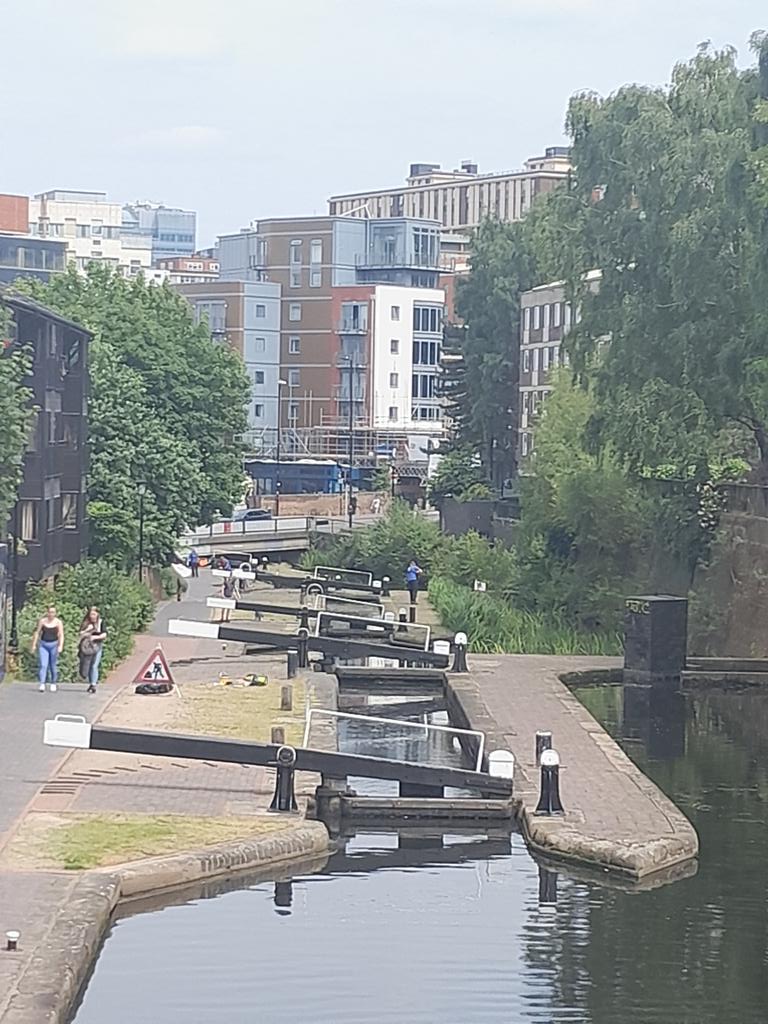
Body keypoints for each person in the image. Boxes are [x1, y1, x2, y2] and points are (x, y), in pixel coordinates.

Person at [32, 605, 64, 692]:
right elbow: (37, 632)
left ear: (55, 613)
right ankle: (42, 683)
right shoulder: (42, 621)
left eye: (53, 612)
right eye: (50, 612)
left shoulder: (58, 622)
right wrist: (34, 644)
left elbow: (61, 635)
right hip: (43, 644)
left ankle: (53, 683)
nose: (51, 614)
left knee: (53, 665)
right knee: (43, 665)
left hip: (54, 645)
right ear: (47, 612)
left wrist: (60, 646)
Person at [78, 607, 107, 694]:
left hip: (97, 646)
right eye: (91, 614)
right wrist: (88, 630)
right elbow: (80, 634)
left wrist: (95, 637)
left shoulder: (101, 622)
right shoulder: (86, 623)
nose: (92, 616)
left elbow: (104, 634)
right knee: (86, 665)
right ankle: (87, 679)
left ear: (97, 614)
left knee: (94, 665)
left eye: (94, 614)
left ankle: (93, 684)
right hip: (86, 647)